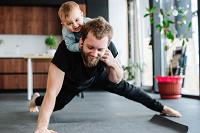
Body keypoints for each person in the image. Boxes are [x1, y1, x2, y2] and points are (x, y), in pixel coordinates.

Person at [29, 17, 181, 133]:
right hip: (74, 81)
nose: (94, 53)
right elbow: (52, 92)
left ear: (107, 45)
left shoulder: (109, 49)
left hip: (100, 76)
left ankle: (162, 108)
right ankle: (36, 99)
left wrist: (113, 63)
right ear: (81, 40)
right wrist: (42, 127)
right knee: (57, 104)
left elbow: (117, 79)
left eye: (100, 49)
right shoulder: (65, 51)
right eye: (90, 47)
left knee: (130, 89)